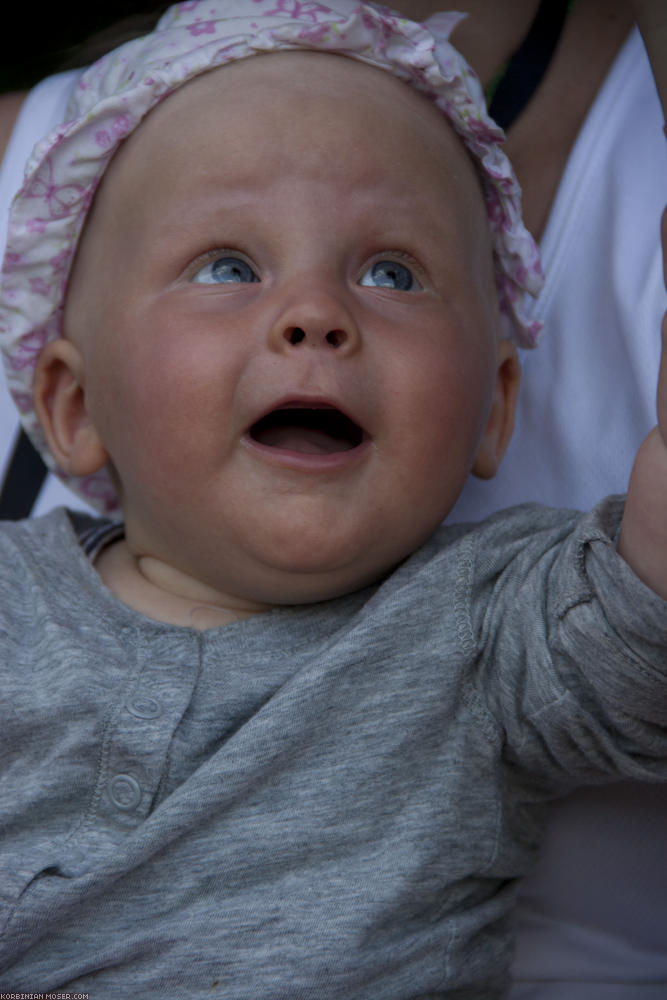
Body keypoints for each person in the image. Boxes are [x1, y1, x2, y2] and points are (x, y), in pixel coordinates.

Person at [0, 2, 666, 998]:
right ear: (75, 402)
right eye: (228, 265)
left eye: (392, 272)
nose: (315, 316)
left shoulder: (489, 627)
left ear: (494, 406)